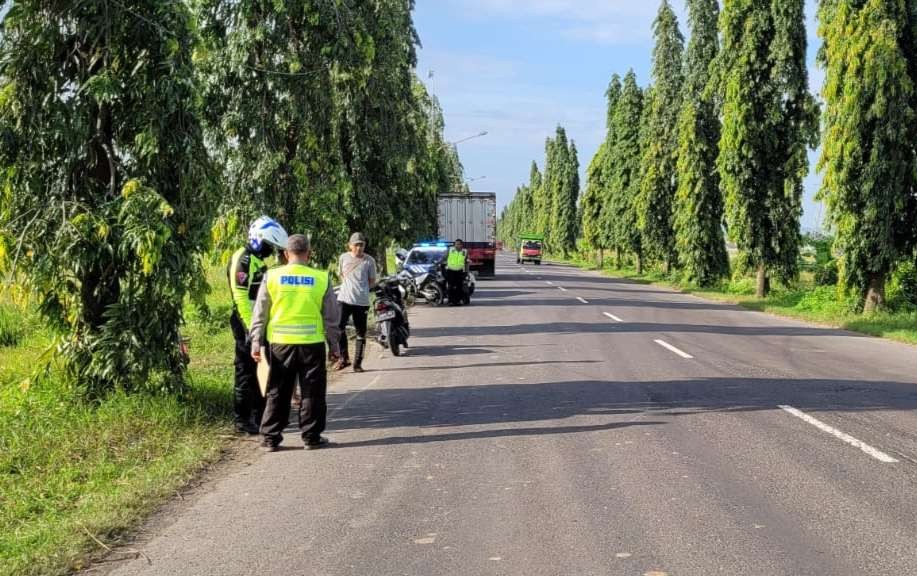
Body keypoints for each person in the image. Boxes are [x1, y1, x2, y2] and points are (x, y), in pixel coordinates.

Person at [250, 234, 341, 452]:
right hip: (312, 344)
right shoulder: (321, 278)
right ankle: (311, 437)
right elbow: (331, 317)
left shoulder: (272, 276)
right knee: (313, 392)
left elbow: (260, 312)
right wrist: (335, 346)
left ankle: (271, 438)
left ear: (285, 254)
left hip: (280, 344)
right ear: (309, 254)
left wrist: (255, 341)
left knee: (278, 391)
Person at [227, 216, 288, 435]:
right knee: (245, 371)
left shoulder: (257, 262)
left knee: (263, 369)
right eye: (268, 246)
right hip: (245, 323)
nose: (270, 252)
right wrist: (252, 331)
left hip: (258, 323)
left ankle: (262, 415)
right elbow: (241, 298)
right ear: (257, 240)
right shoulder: (242, 259)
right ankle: (242, 420)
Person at [335, 232, 377, 373]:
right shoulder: (343, 258)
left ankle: (357, 363)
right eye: (356, 245)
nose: (359, 248)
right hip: (344, 299)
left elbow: (372, 281)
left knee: (361, 333)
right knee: (339, 328)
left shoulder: (369, 261)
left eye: (362, 245)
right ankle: (344, 357)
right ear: (350, 246)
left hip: (361, 302)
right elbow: (341, 274)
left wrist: (361, 290)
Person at [445, 238, 469, 305]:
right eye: (456, 244)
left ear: (462, 245)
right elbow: (444, 258)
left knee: (459, 286)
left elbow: (466, 262)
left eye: (459, 244)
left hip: (460, 271)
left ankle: (458, 301)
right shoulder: (450, 250)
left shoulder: (465, 251)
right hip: (450, 271)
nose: (457, 245)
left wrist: (466, 272)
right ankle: (450, 301)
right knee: (450, 286)